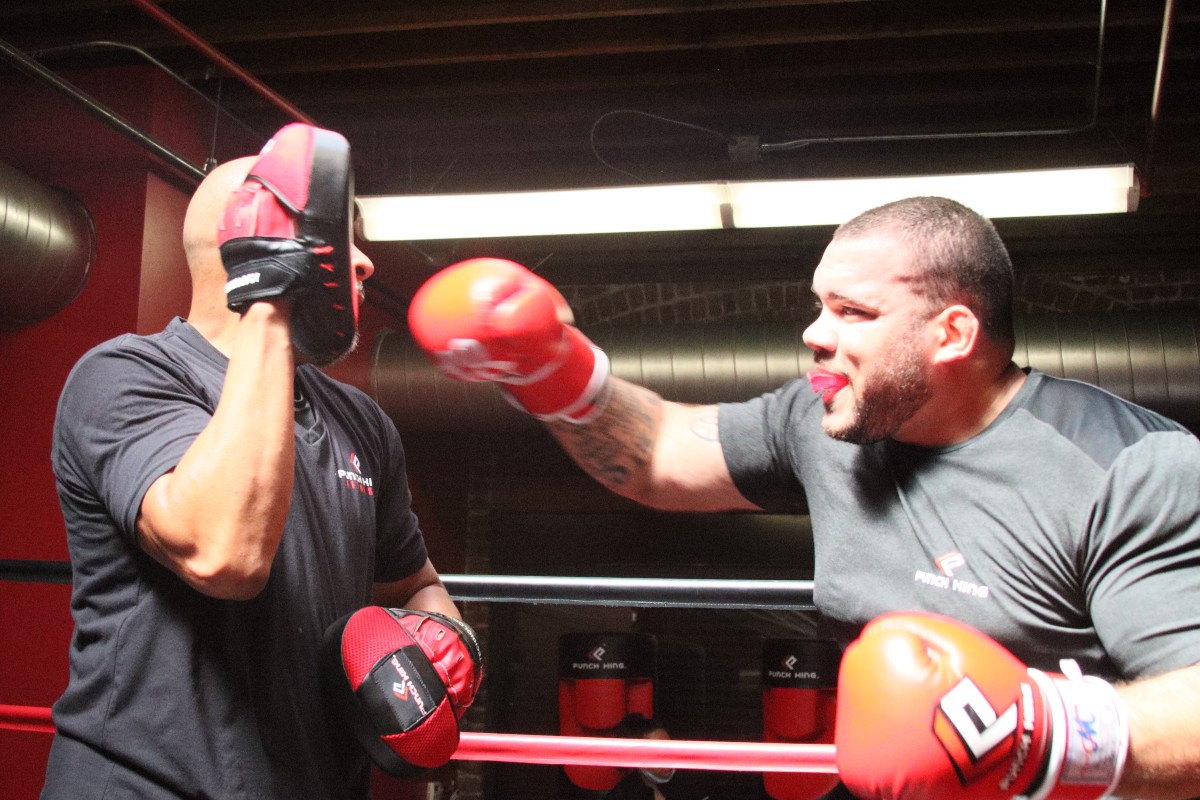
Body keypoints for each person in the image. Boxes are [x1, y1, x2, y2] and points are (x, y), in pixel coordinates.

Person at [407, 196, 1200, 800]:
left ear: (952, 334)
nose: (815, 334)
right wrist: (555, 372)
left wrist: (1030, 730)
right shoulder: (822, 424)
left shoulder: (1129, 469)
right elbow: (657, 455)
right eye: (820, 305)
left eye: (853, 313)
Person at [42, 123, 479, 800]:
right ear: (253, 243)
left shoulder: (362, 423)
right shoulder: (125, 377)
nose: (364, 263)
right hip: (143, 784)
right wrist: (270, 298)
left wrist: (448, 646)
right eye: (336, 239)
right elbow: (225, 555)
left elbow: (413, 584)